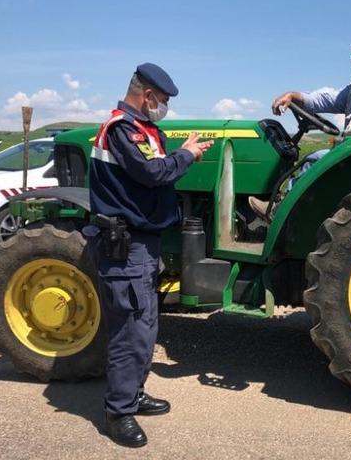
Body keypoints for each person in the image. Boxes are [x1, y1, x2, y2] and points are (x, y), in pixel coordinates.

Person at [84, 63, 213, 448]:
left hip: (143, 243)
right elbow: (152, 172)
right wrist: (187, 156)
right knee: (131, 331)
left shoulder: (142, 128)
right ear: (148, 95)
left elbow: (153, 171)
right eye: (164, 100)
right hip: (126, 245)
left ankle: (133, 394)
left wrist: (182, 155)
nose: (166, 107)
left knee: (147, 325)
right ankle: (117, 411)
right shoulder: (122, 128)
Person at [249, 37, 351, 216]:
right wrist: (294, 96)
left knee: (313, 160)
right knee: (314, 158)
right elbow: (326, 100)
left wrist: (350, 143)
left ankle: (280, 212)